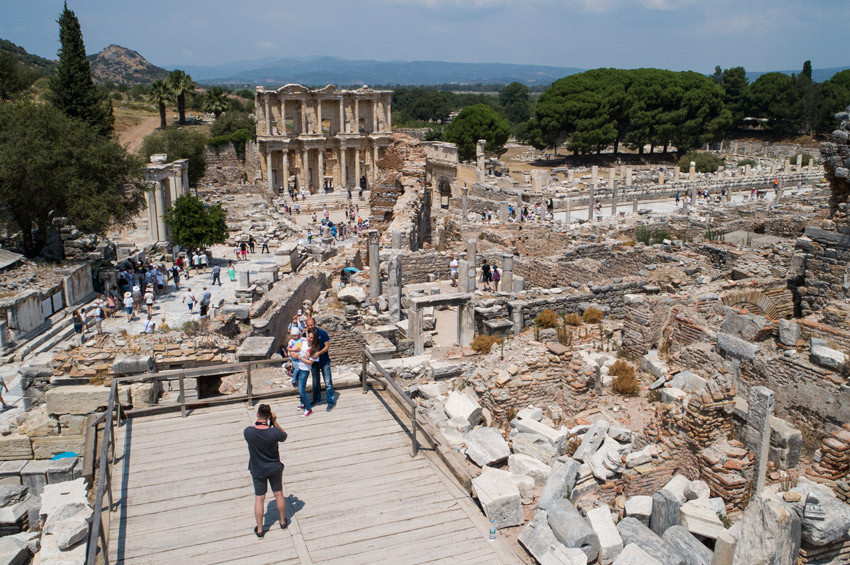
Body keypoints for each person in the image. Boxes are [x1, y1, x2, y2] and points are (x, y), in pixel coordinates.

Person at [243, 404, 288, 538]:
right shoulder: (274, 433)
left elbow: (255, 430)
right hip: (274, 468)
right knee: (279, 494)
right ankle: (282, 522)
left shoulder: (248, 432)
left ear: (257, 415)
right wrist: (274, 422)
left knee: (259, 498)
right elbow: (284, 436)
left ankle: (260, 530)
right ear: (269, 416)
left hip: (257, 469)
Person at [306, 317, 335, 411]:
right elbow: (304, 346)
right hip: (313, 363)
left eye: (311, 325)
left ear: (314, 324)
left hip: (324, 360)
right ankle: (316, 399)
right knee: (315, 382)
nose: (310, 327)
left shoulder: (322, 332)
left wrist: (319, 353)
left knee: (328, 382)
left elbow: (327, 346)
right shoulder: (306, 334)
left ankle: (330, 401)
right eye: (308, 325)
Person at [294, 331, 318, 417]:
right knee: (300, 387)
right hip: (298, 367)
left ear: (314, 339)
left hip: (305, 370)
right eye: (309, 336)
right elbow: (295, 348)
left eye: (311, 338)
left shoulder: (314, 349)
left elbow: (310, 362)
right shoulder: (303, 342)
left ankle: (308, 408)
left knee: (301, 390)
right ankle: (303, 403)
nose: (309, 339)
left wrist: (299, 357)